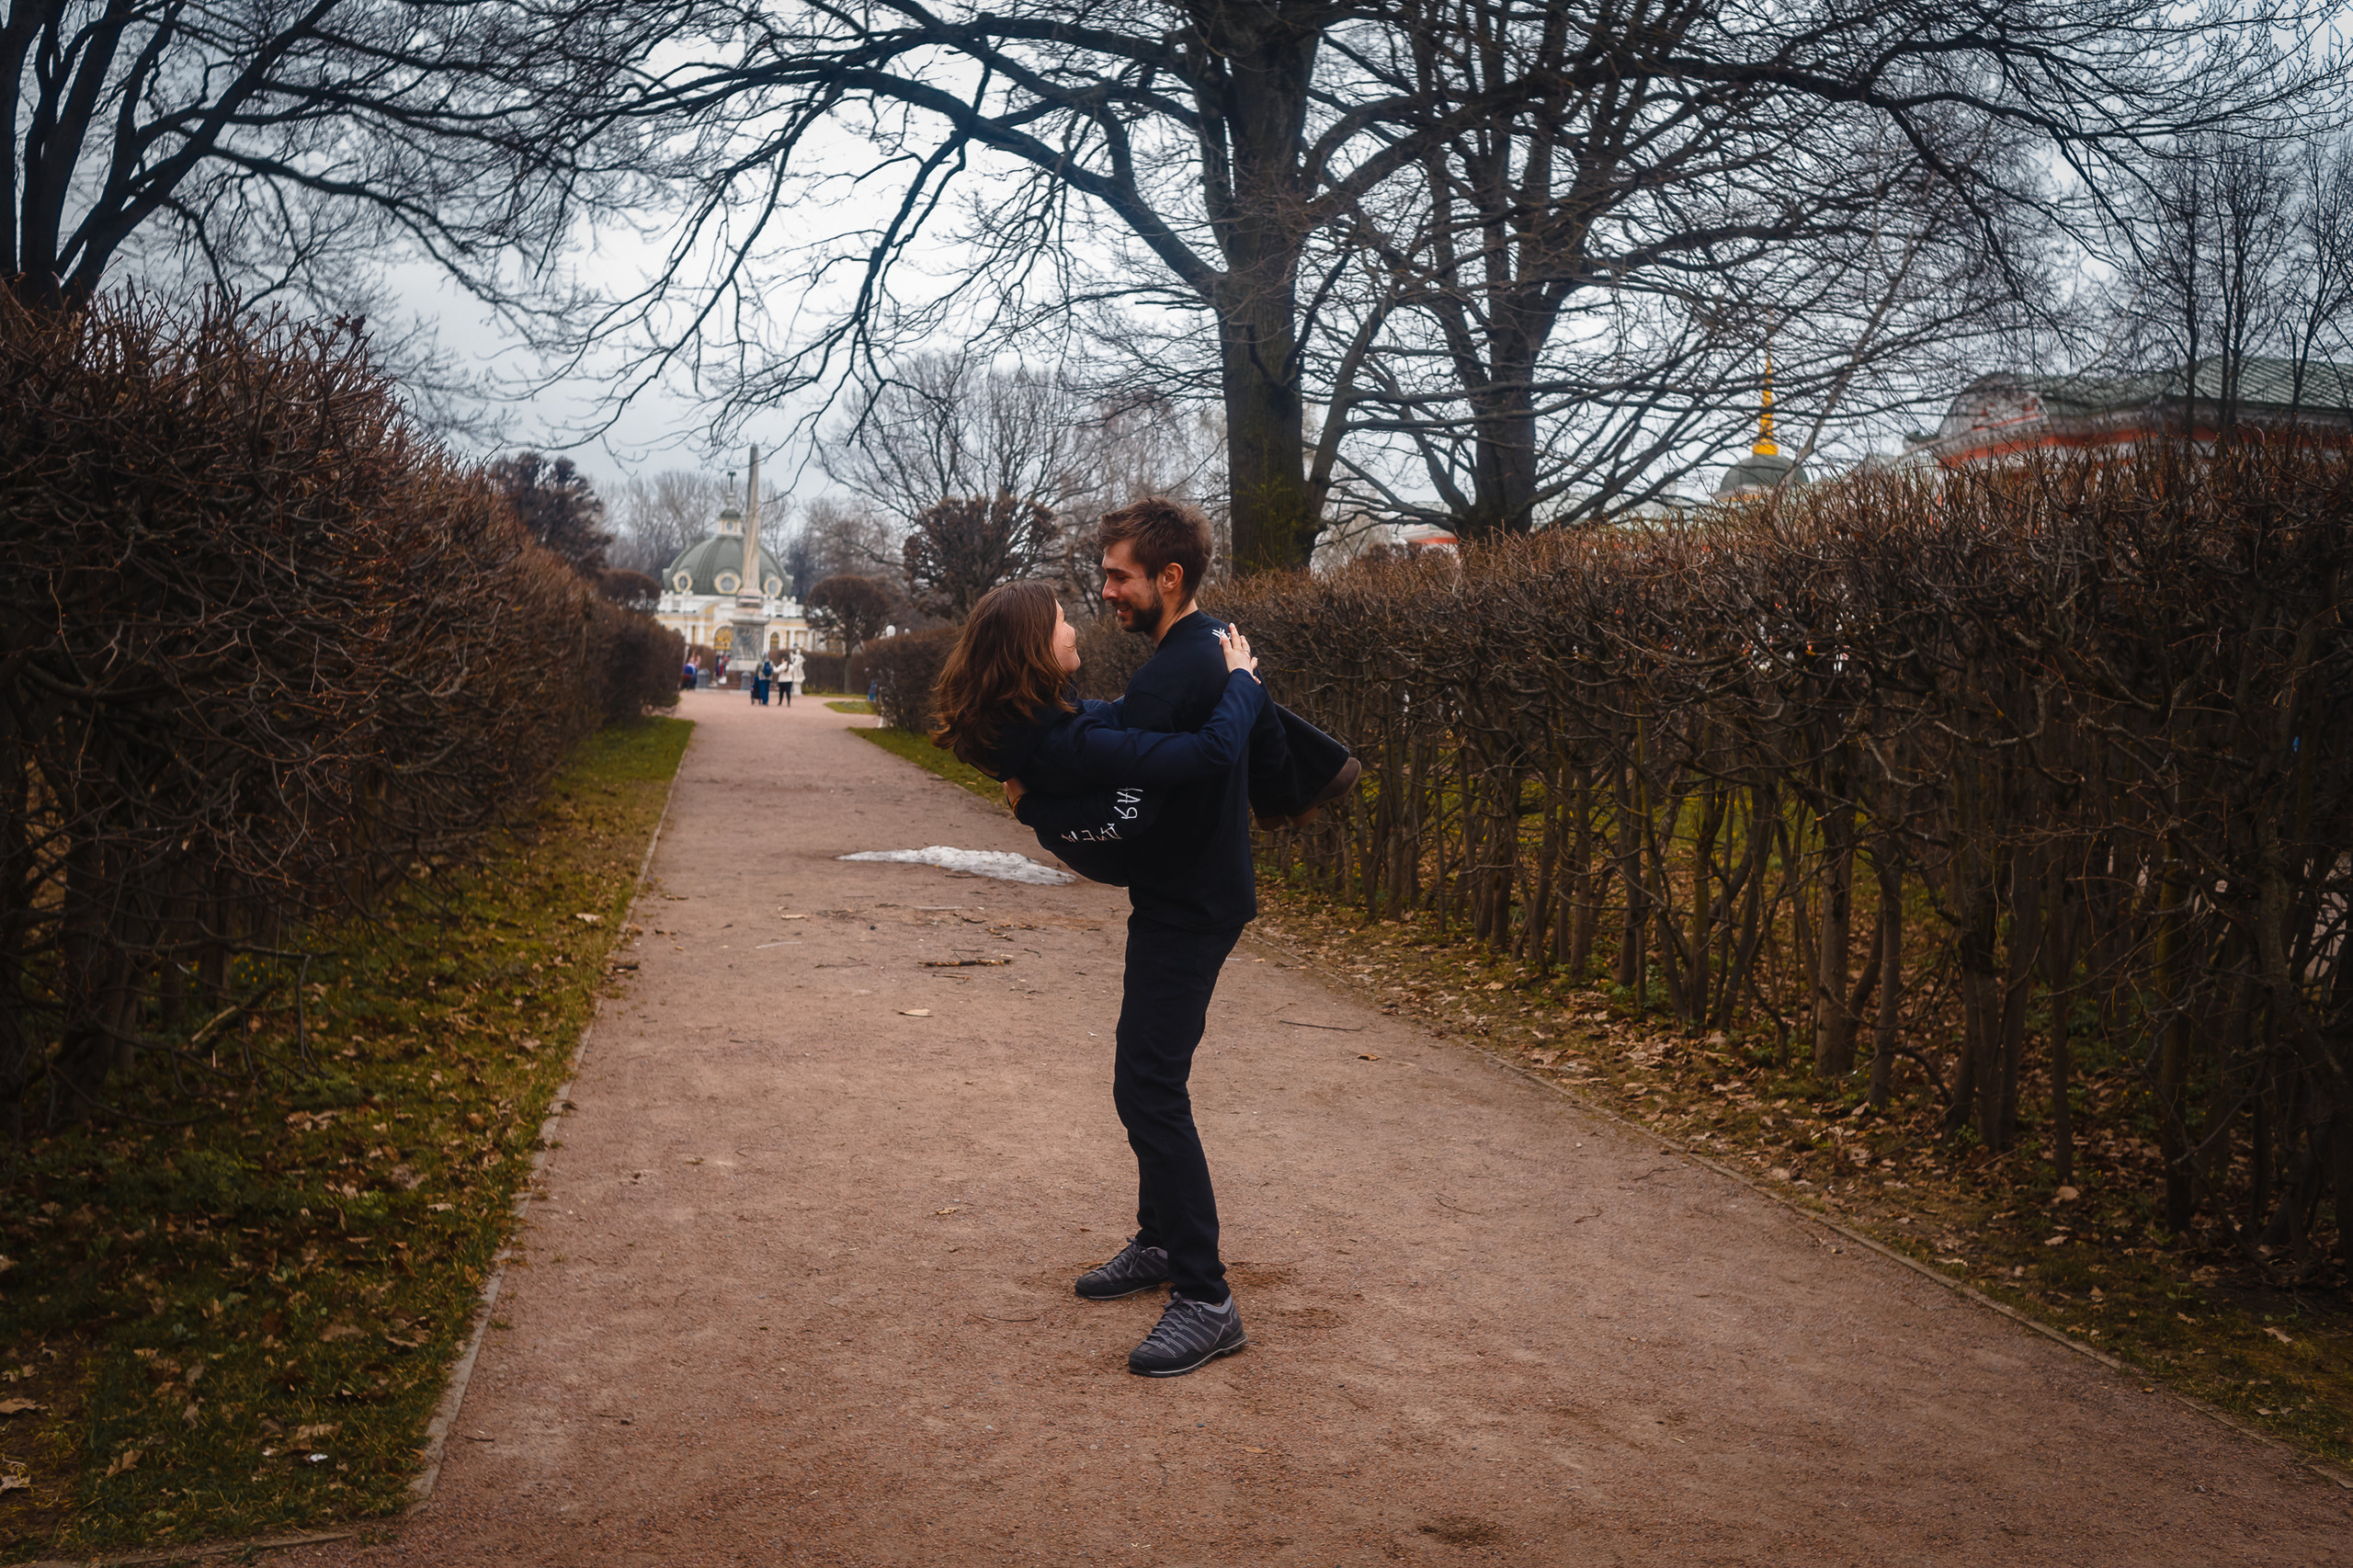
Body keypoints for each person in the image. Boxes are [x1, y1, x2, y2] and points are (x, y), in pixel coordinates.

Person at [1000, 498, 1307, 1377]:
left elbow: (1144, 792)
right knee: (1148, 1078)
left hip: (1192, 902)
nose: (1107, 593)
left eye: (1119, 577)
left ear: (1168, 578)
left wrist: (1049, 812)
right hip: (1186, 894)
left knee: (1148, 1087)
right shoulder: (1197, 651)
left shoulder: (1182, 669)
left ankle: (1206, 1298)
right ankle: (1160, 1241)